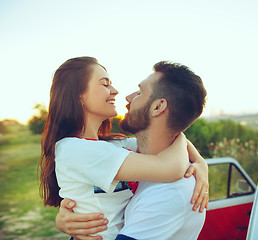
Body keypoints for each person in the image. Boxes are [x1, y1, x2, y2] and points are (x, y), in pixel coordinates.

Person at [38, 57, 208, 240]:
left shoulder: (114, 146)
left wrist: (199, 161)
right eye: (105, 84)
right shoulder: (75, 149)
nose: (117, 92)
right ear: (79, 95)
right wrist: (188, 146)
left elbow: (163, 146)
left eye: (139, 92)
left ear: (159, 107)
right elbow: (169, 166)